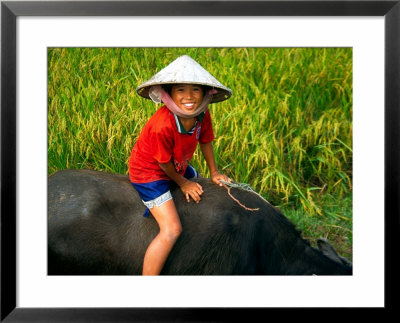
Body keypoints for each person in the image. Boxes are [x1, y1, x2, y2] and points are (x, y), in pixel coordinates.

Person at [129, 55, 232, 275]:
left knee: (198, 178)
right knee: (171, 230)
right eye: (180, 90)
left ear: (206, 94)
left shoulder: (201, 115)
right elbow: (162, 162)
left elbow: (205, 140)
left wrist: (214, 172)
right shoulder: (162, 124)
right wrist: (183, 183)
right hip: (150, 172)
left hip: (176, 165)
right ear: (169, 93)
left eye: (195, 90)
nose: (188, 96)